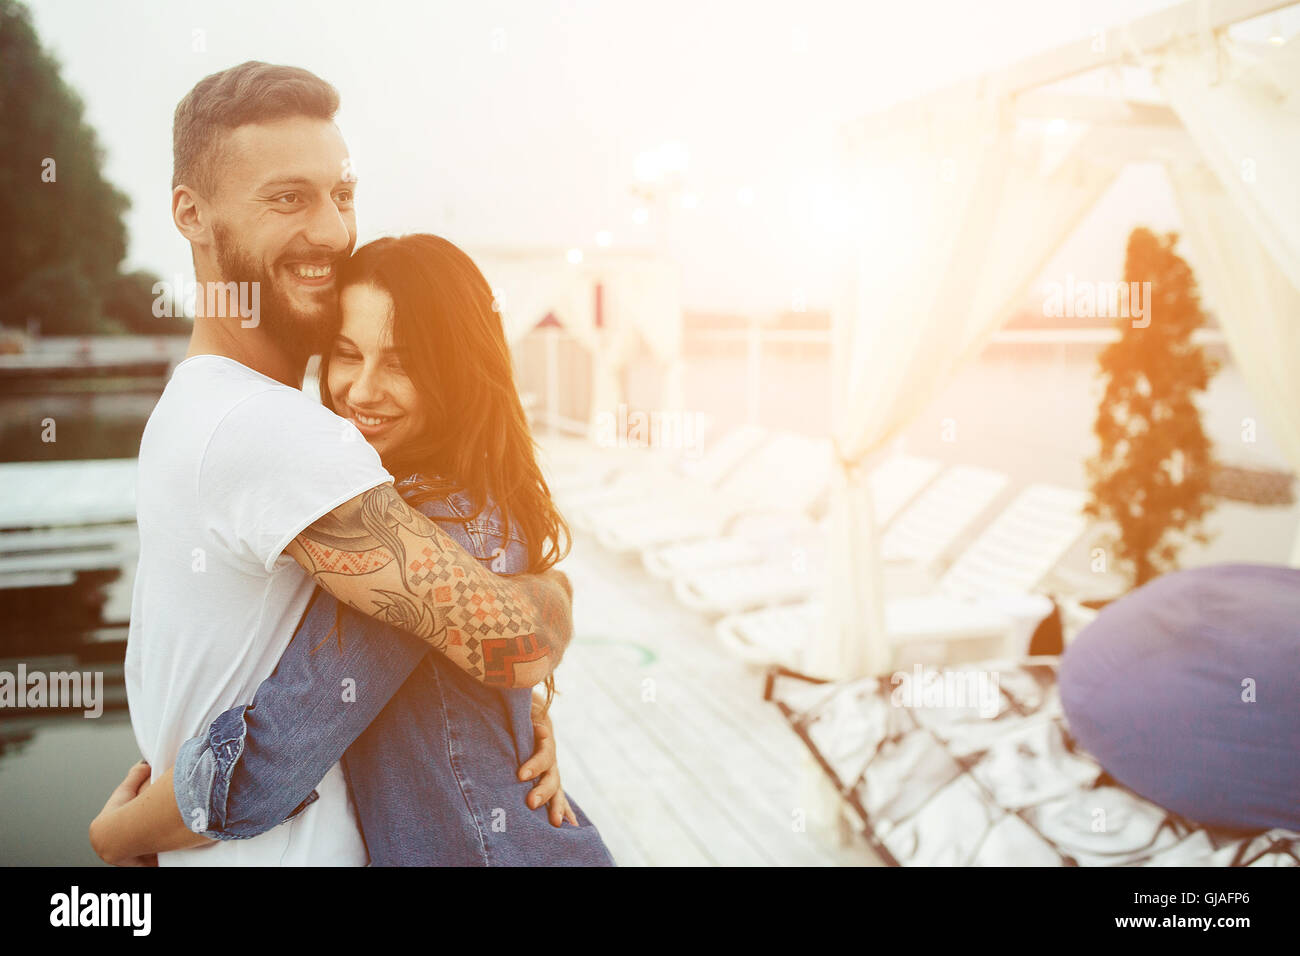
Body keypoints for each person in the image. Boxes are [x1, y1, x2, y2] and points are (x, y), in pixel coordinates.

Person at [90, 61, 579, 866]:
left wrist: (505, 705)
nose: (330, 230)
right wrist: (555, 595)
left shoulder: (194, 405)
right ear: (191, 212)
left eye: (340, 195)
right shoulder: (275, 430)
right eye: (289, 198)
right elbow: (513, 640)